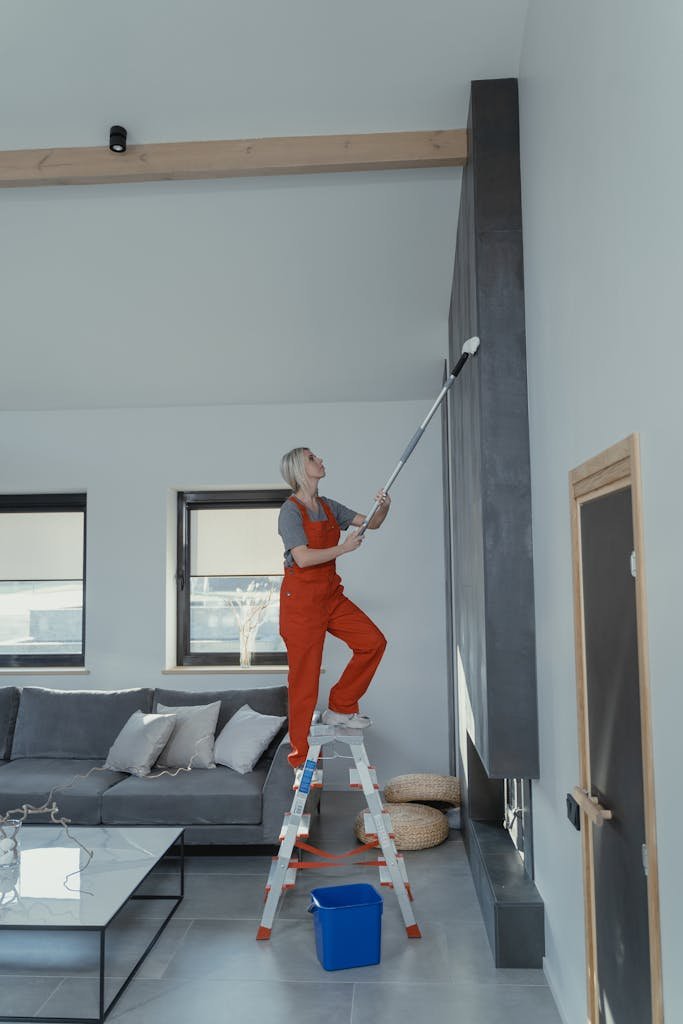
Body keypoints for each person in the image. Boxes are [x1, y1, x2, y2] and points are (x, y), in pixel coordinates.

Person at [278, 447, 390, 769]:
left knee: (372, 642)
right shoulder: (290, 511)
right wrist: (343, 548)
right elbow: (302, 558)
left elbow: (371, 523)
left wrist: (383, 507)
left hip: (330, 595)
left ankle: (341, 706)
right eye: (313, 458)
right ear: (300, 468)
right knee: (305, 682)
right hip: (301, 603)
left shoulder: (328, 506)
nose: (321, 460)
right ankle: (301, 762)